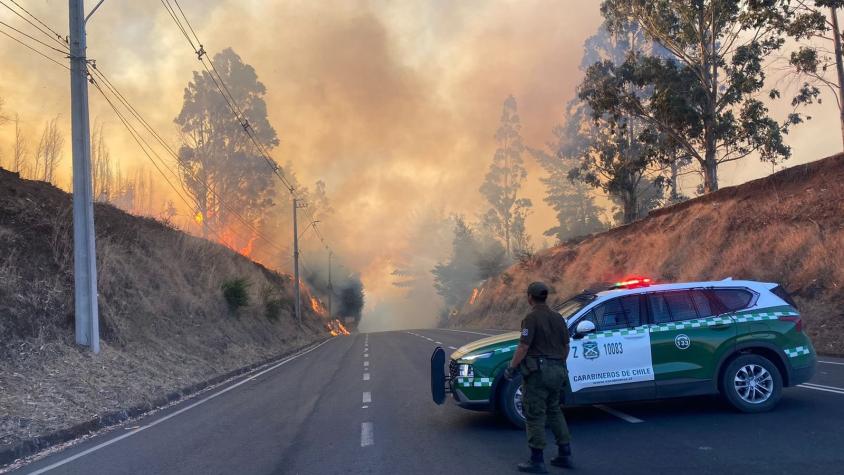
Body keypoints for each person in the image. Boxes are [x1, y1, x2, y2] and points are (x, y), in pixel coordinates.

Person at [504, 282, 572, 473]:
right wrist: (557, 364)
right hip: (558, 370)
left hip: (539, 374)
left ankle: (537, 461)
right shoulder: (559, 318)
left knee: (534, 414)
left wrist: (511, 368)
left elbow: (524, 347)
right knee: (555, 410)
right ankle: (564, 453)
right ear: (545, 297)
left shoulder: (531, 318)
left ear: (530, 297)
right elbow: (566, 346)